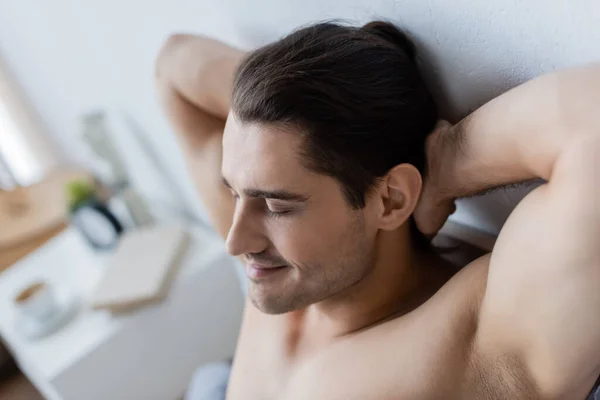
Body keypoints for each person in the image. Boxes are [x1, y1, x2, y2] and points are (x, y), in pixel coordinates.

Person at [156, 20, 600, 399]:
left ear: (391, 199)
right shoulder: (283, 275)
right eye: (234, 192)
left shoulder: (473, 342)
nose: (235, 241)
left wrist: (446, 166)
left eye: (276, 206)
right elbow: (174, 65)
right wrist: (297, 102)